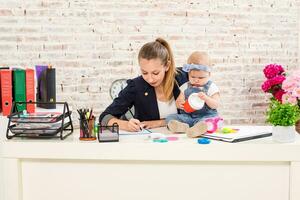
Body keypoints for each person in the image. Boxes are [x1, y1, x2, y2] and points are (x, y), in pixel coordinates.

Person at [99, 38, 188, 132]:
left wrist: (183, 92)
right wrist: (126, 125)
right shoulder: (136, 86)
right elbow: (104, 117)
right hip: (149, 141)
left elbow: (203, 71)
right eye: (144, 73)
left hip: (183, 139)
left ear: (167, 66)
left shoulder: (183, 77)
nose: (150, 79)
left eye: (155, 73)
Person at [166, 51, 220, 138]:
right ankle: (183, 127)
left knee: (210, 121)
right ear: (188, 74)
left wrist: (206, 98)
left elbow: (216, 104)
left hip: (205, 116)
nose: (196, 80)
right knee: (170, 117)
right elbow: (179, 101)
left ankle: (199, 128)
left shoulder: (211, 87)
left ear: (209, 74)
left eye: (201, 77)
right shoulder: (185, 86)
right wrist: (179, 104)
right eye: (193, 77)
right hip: (189, 117)